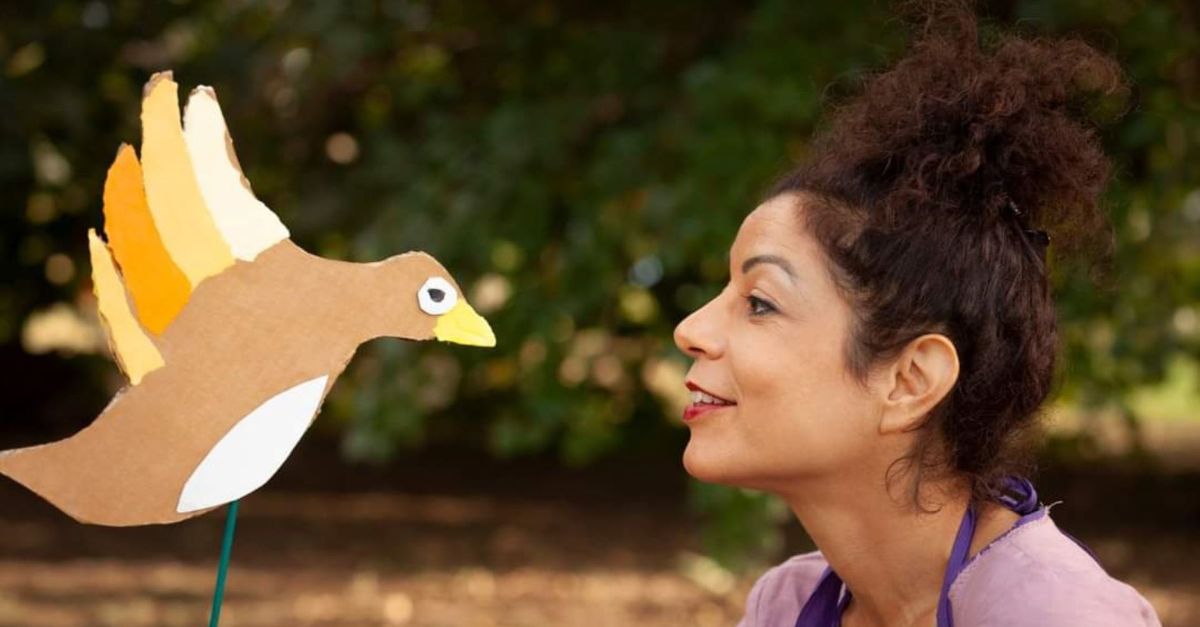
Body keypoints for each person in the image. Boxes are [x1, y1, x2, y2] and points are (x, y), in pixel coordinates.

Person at [671, 2, 1162, 625]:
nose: (690, 329)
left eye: (759, 302)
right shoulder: (785, 606)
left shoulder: (1054, 614)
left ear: (911, 380)